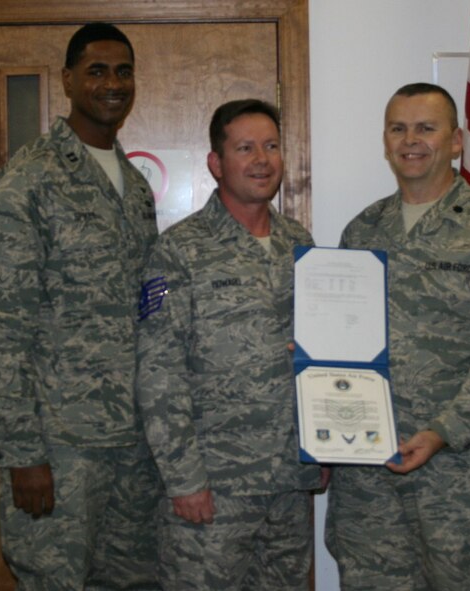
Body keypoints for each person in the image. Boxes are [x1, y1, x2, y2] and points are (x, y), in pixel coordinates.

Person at [0, 23, 160, 590]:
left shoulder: (134, 187)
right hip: (60, 452)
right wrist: (21, 452)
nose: (112, 83)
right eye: (96, 70)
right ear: (69, 80)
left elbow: (147, 309)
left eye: (123, 70)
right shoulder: (32, 179)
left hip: (133, 448)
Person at [325, 83, 470, 590]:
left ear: (456, 140)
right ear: (385, 140)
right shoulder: (362, 231)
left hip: (463, 481)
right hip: (370, 481)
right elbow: (342, 341)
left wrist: (441, 432)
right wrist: (316, 360)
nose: (410, 140)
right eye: (398, 128)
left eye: (426, 127)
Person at [136, 99, 322, 590]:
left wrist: (325, 447)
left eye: (271, 146)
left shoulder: (300, 244)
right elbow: (159, 373)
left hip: (288, 486)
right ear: (216, 164)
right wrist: (184, 479)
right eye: (245, 148)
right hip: (214, 490)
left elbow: (323, 355)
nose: (262, 159)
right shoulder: (179, 251)